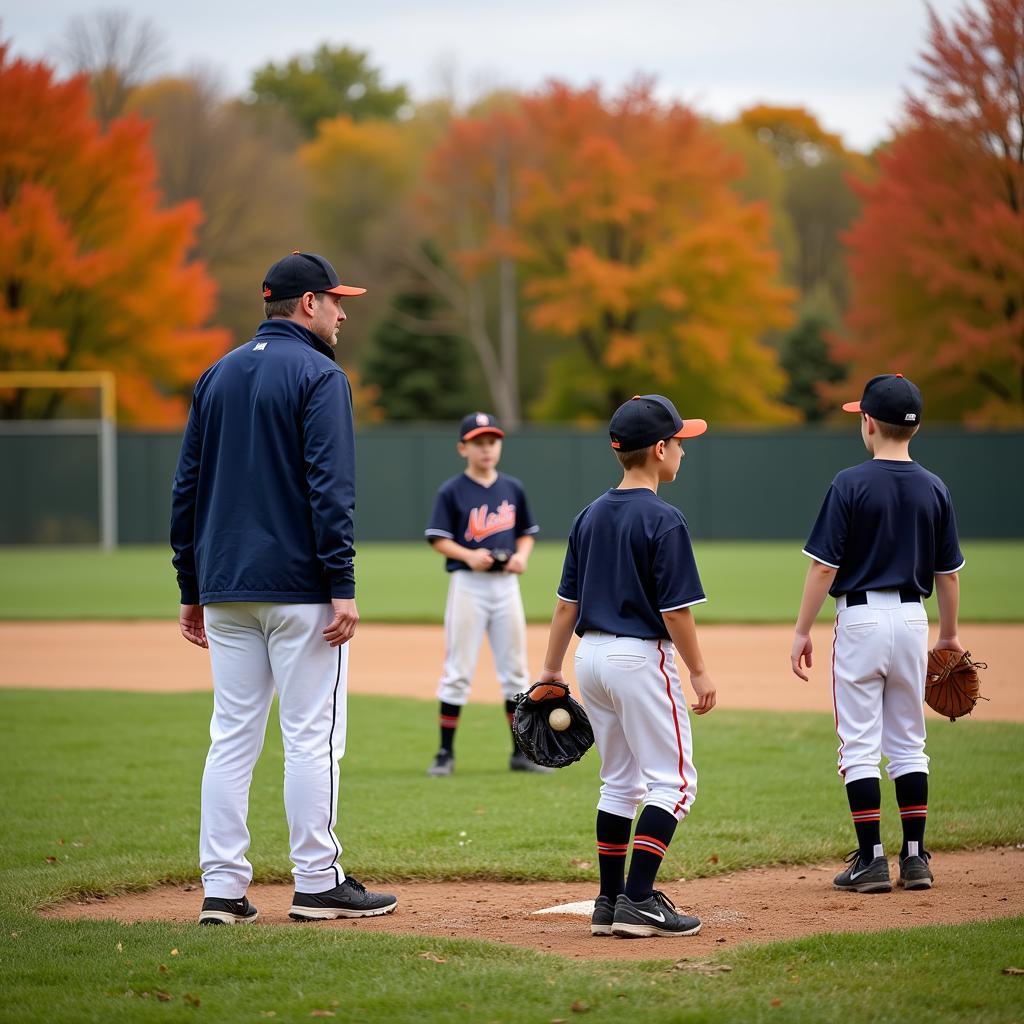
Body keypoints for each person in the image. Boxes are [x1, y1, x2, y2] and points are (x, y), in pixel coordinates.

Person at [170, 251, 397, 925]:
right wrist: (343, 583)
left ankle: (221, 888)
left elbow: (186, 490)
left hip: (225, 587)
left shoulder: (217, 375)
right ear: (307, 304)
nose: (343, 311)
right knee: (312, 737)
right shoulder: (319, 375)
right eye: (335, 300)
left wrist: (191, 584)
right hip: (300, 588)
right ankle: (318, 881)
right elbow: (331, 489)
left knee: (232, 736)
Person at [536, 395, 716, 938]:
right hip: (639, 659)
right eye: (680, 442)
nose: (683, 451)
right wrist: (700, 670)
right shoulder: (664, 518)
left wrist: (550, 672)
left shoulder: (589, 514)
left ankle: (609, 900)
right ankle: (639, 899)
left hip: (588, 658)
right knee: (676, 783)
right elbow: (674, 610)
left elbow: (567, 603)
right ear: (659, 450)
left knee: (618, 783)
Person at [791, 373, 965, 894]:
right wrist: (949, 636)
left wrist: (802, 629)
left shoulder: (850, 482)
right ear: (916, 426)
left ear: (868, 422)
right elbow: (948, 574)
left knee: (860, 745)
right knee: (910, 741)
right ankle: (915, 859)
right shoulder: (935, 486)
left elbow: (824, 568)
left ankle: (870, 859)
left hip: (861, 618)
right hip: (914, 620)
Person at [423, 412, 546, 776]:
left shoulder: (513, 487)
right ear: (463, 448)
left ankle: (520, 754)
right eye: (478, 442)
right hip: (468, 585)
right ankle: (444, 754)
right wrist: (468, 554)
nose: (486, 448)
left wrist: (522, 557)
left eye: (492, 441)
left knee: (516, 672)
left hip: (506, 585)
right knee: (458, 671)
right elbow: (438, 538)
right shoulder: (452, 490)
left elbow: (526, 531)